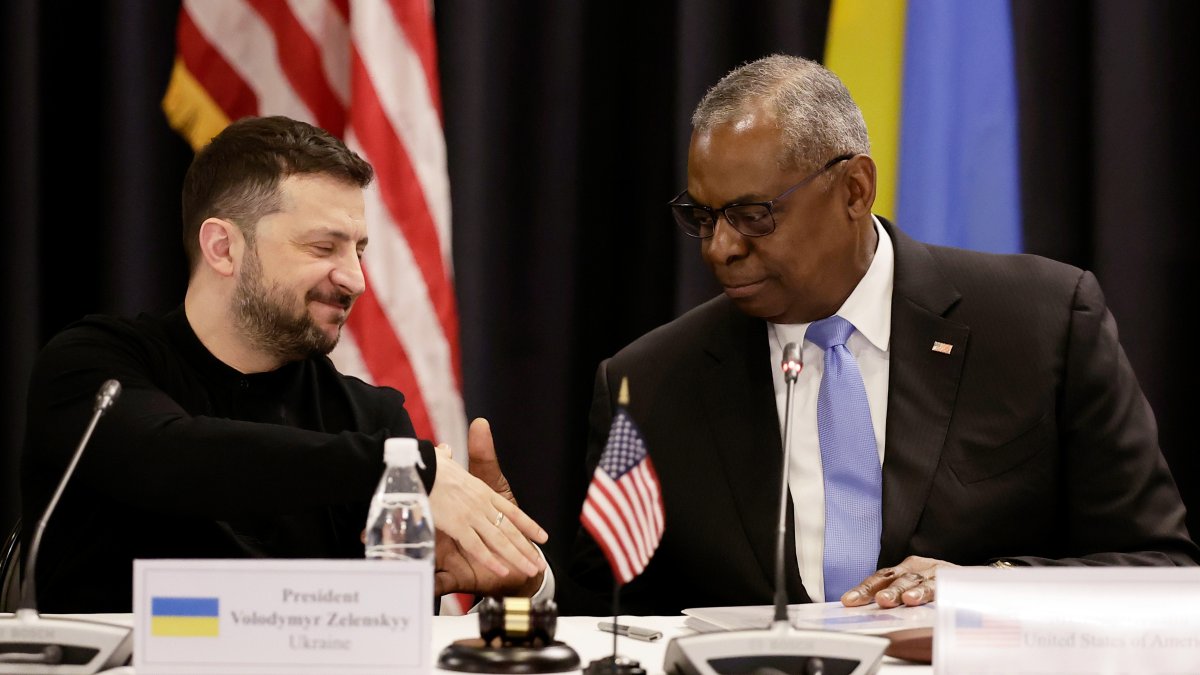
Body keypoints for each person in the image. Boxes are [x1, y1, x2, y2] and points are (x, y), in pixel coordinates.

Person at [562, 54, 1199, 616]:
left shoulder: (1043, 324)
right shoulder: (645, 384)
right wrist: (527, 580)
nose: (721, 248)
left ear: (854, 190)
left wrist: (990, 591)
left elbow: (1165, 573)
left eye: (753, 215)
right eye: (702, 218)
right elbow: (607, 614)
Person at [20, 115, 548, 613]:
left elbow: (395, 634)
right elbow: (169, 458)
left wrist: (515, 578)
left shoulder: (369, 419)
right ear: (223, 247)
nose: (355, 279)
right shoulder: (94, 367)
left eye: (358, 250)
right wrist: (400, 467)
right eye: (324, 247)